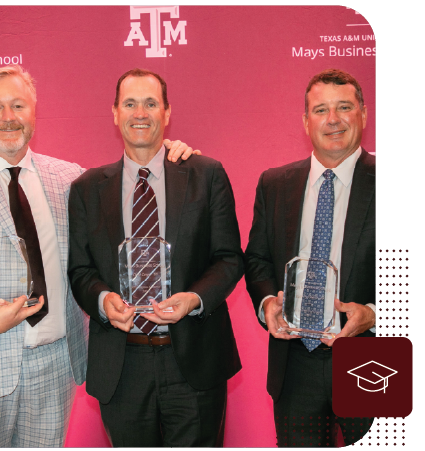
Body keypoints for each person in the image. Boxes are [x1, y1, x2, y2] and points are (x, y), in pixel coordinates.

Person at [0, 65, 199, 448]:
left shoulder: (69, 179)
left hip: (55, 368)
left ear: (34, 112)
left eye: (19, 105)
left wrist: (171, 153)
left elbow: (135, 178)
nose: (9, 118)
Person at [67, 68, 243, 447]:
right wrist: (103, 300)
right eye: (130, 103)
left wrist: (194, 299)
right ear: (115, 113)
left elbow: (229, 258)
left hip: (193, 360)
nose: (140, 113)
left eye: (151, 103)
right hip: (122, 364)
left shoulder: (206, 174)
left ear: (166, 112)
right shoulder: (86, 189)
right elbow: (80, 269)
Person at [244, 68, 375, 447]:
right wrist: (268, 302)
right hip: (294, 363)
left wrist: (374, 312)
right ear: (305, 121)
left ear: (363, 114)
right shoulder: (274, 183)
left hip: (371, 361)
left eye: (344, 107)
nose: (332, 120)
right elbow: (257, 260)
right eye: (320, 110)